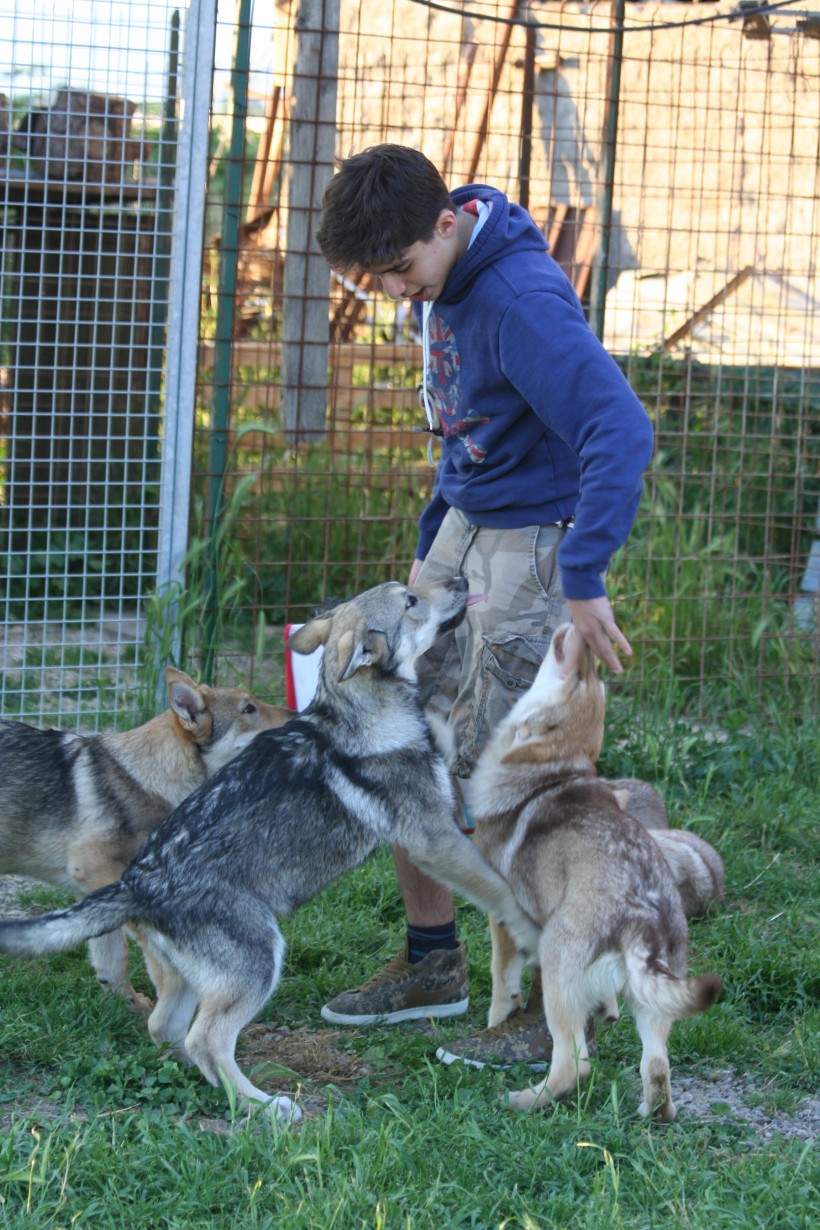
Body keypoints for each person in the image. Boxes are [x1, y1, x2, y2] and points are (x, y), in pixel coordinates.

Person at [315, 144, 654, 1068]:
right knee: (398, 732)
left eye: (399, 271)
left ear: (445, 225)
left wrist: (582, 577)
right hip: (466, 533)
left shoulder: (518, 301)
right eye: (375, 278)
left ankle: (555, 1007)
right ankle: (434, 965)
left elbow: (619, 427)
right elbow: (464, 428)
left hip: (532, 550)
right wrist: (436, 537)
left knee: (507, 781)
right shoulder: (441, 283)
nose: (392, 293)